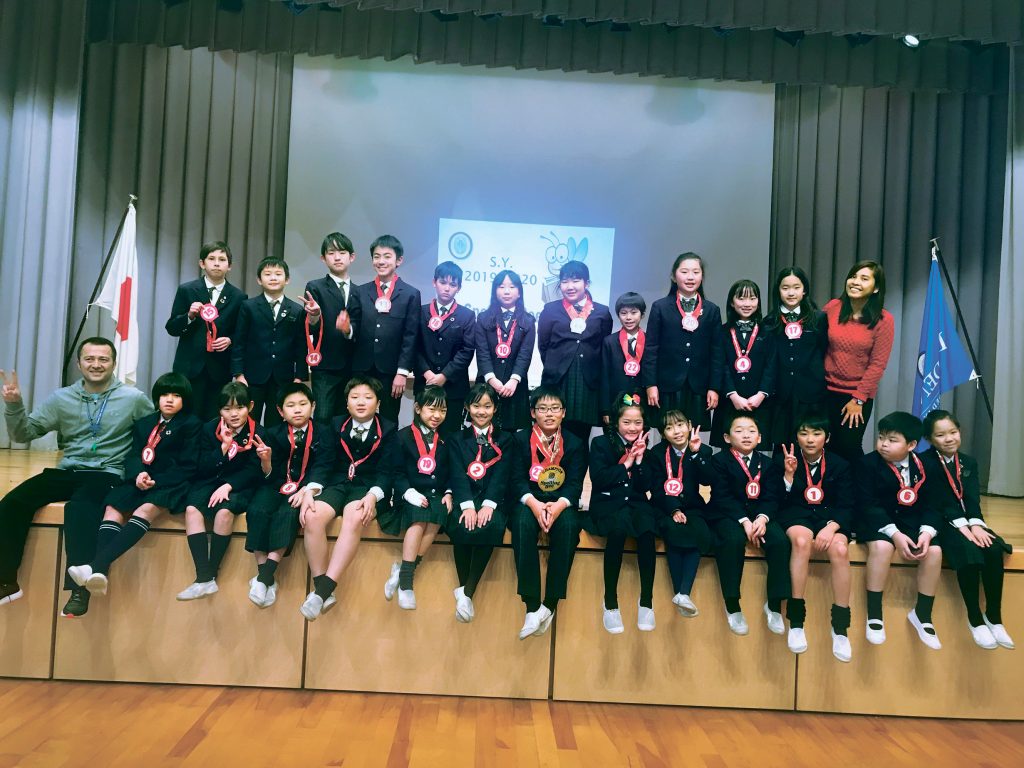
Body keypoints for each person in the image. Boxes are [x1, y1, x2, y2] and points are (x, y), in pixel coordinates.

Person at [0, 338, 152, 616]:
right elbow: (24, 434)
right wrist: (13, 404)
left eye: (103, 359)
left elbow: (155, 436)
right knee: (13, 502)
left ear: (114, 363)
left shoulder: (134, 399)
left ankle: (80, 589)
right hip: (68, 470)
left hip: (106, 472)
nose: (96, 364)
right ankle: (6, 580)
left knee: (80, 509)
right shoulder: (62, 398)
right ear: (79, 363)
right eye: (90, 359)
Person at [67, 373, 201, 600]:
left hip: (172, 483)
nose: (169, 400)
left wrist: (157, 481)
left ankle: (97, 566)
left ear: (184, 399)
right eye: (164, 395)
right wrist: (138, 473)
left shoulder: (192, 424)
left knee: (145, 510)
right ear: (156, 398)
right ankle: (99, 572)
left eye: (176, 395)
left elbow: (189, 465)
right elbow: (132, 455)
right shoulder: (145, 423)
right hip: (141, 478)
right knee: (113, 505)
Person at [299, 376, 396, 621]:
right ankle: (324, 590)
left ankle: (322, 590)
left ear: (378, 404)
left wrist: (374, 496)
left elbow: (387, 473)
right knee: (311, 516)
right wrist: (310, 490)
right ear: (347, 403)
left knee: (355, 518)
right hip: (337, 483)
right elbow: (323, 463)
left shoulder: (390, 429)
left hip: (367, 487)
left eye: (367, 397)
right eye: (355, 398)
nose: (361, 402)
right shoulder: (334, 424)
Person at [922, 409, 1014, 650]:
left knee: (993, 549)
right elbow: (937, 501)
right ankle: (975, 618)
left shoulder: (968, 461)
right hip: (940, 521)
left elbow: (972, 499)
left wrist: (976, 524)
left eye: (953, 432)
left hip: (969, 521)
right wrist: (963, 527)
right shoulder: (925, 463)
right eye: (941, 435)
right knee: (969, 554)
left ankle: (994, 616)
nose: (949, 438)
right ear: (930, 439)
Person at [856, 411, 943, 650]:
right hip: (876, 520)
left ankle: (923, 614)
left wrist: (926, 532)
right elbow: (867, 504)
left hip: (912, 522)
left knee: (934, 552)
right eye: (882, 437)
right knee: (883, 547)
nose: (883, 444)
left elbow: (934, 504)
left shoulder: (926, 465)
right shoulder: (867, 464)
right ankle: (874, 614)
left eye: (892, 440)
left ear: (912, 444)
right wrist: (894, 534)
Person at [774, 411, 854, 662]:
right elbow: (775, 500)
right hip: (796, 514)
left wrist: (831, 527)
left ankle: (840, 626)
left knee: (840, 550)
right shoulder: (783, 460)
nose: (809, 439)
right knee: (800, 542)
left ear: (826, 438)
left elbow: (848, 504)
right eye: (804, 433)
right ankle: (796, 620)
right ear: (796, 437)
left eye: (816, 434)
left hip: (829, 518)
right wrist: (788, 477)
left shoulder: (840, 464)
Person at [244, 383, 332, 608]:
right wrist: (266, 461)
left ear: (313, 406)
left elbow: (324, 466)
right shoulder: (272, 433)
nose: (298, 410)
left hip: (305, 489)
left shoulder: (324, 432)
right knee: (257, 509)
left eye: (303, 404)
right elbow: (266, 474)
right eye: (290, 406)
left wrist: (308, 489)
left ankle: (264, 578)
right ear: (281, 412)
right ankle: (266, 577)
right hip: (276, 485)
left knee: (288, 514)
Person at [176, 381, 265, 601]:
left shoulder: (259, 433)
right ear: (219, 410)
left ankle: (209, 575)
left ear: (250, 407)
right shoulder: (209, 429)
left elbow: (254, 472)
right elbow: (201, 467)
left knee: (224, 513)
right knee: (191, 509)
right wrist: (223, 448)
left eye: (239, 407)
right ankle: (203, 577)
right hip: (210, 481)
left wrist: (230, 485)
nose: (233, 414)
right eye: (227, 409)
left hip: (240, 487)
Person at [509, 386, 586, 640]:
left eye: (555, 408)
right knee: (522, 524)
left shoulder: (574, 443)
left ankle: (550, 603)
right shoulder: (519, 439)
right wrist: (533, 504)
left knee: (569, 527)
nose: (549, 414)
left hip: (560, 502)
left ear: (563, 412)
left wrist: (559, 505)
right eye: (542, 409)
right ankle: (531, 605)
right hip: (529, 500)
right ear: (533, 413)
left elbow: (575, 483)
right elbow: (516, 479)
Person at [708, 414, 791, 636]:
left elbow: (772, 496)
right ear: (726, 437)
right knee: (732, 540)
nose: (746, 435)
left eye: (751, 430)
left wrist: (763, 518)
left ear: (760, 437)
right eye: (739, 430)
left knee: (781, 541)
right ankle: (732, 604)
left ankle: (773, 604)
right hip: (727, 515)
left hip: (759, 516)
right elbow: (722, 497)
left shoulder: (769, 463)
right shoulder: (719, 461)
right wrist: (744, 521)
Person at [587, 394, 660, 634]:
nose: (632, 428)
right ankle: (610, 601)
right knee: (617, 531)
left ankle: (646, 601)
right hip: (607, 505)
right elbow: (599, 479)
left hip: (636, 504)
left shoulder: (646, 446)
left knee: (648, 532)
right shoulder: (600, 443)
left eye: (637, 422)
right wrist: (626, 464)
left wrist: (639, 461)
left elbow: (646, 485)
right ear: (616, 422)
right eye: (626, 422)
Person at [379, 385, 452, 610]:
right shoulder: (401, 436)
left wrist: (449, 493)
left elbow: (452, 471)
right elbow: (396, 473)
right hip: (406, 496)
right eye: (431, 409)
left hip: (434, 495)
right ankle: (407, 584)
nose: (436, 415)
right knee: (420, 515)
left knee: (438, 512)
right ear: (418, 408)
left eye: (442, 410)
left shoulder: (446, 439)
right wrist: (409, 493)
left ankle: (402, 570)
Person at [446, 383, 512, 622]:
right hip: (466, 498)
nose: (481, 411)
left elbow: (503, 474)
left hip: (494, 500)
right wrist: (467, 506)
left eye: (487, 406)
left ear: (495, 408)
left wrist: (488, 504)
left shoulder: (506, 439)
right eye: (476, 406)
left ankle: (466, 591)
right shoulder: (456, 438)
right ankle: (466, 593)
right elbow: (455, 472)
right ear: (467, 407)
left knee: (491, 525)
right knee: (462, 524)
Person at [165, 241, 247, 421]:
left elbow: (242, 333)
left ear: (229, 266)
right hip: (189, 367)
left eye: (222, 259)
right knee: (185, 417)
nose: (217, 263)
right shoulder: (187, 290)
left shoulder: (239, 296)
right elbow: (172, 327)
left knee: (213, 419)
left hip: (219, 368)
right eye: (211, 259)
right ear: (202, 263)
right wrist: (189, 315)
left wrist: (230, 340)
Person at [823, 261, 895, 461]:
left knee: (848, 448)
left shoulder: (884, 320)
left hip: (855, 396)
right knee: (824, 446)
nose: (855, 282)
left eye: (864, 279)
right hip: (824, 391)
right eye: (853, 276)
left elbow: (878, 364)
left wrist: (858, 399)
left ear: (876, 288)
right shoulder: (832, 308)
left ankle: (855, 491)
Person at [537, 260, 613, 446]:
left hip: (587, 382)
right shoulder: (550, 309)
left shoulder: (602, 312)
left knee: (580, 439)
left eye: (576, 281)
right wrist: (557, 365)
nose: (569, 286)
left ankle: (576, 476)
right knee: (552, 435)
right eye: (564, 281)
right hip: (558, 380)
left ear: (586, 283)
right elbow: (544, 345)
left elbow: (602, 346)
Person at [644, 252, 723, 427]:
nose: (690, 277)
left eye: (696, 272)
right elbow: (651, 349)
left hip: (698, 386)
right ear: (674, 276)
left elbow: (717, 353)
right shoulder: (660, 307)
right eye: (684, 272)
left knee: (693, 435)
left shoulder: (712, 310)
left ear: (702, 277)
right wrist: (651, 384)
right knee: (668, 432)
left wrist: (714, 388)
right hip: (667, 384)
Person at [648, 409, 712, 619]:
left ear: (690, 425)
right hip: (664, 505)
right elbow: (657, 488)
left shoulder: (703, 450)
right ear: (663, 433)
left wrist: (695, 453)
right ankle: (681, 593)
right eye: (669, 427)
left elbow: (707, 480)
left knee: (700, 531)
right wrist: (674, 509)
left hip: (693, 505)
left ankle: (683, 594)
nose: (676, 431)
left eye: (680, 425)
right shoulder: (656, 453)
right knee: (673, 531)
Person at [350, 235, 420, 424]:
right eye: (376, 256)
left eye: (387, 256)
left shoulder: (410, 294)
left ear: (399, 260)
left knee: (389, 418)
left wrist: (402, 372)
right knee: (360, 417)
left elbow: (410, 336)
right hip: (361, 368)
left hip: (391, 371)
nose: (381, 261)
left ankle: (387, 454)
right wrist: (346, 329)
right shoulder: (360, 291)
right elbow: (354, 326)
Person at [232, 257, 308, 426]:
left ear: (287, 279)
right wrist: (238, 374)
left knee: (277, 423)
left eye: (278, 274)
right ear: (259, 279)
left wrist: (299, 377)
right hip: (252, 377)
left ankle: (273, 453)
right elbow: (239, 342)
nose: (273, 278)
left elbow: (301, 346)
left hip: (283, 378)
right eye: (267, 274)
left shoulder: (296, 310)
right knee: (249, 421)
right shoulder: (248, 306)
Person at [763, 267, 828, 451]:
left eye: (796, 287)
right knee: (782, 446)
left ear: (804, 290)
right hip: (781, 393)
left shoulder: (818, 318)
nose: (791, 293)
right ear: (778, 290)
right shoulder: (770, 321)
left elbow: (823, 350)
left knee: (810, 444)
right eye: (785, 288)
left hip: (811, 391)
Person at [711, 279, 776, 449]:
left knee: (758, 455)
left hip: (759, 402)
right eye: (741, 298)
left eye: (752, 298)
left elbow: (771, 366)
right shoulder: (722, 331)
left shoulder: (769, 331)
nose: (747, 304)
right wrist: (733, 395)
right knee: (727, 453)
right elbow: (720, 364)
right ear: (732, 302)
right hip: (730, 401)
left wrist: (761, 394)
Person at [414, 261, 476, 436]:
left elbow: (467, 351)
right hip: (424, 385)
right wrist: (427, 373)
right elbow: (413, 346)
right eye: (443, 282)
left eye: (453, 284)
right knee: (422, 436)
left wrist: (444, 376)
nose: (447, 288)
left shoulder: (467, 315)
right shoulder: (420, 311)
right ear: (434, 282)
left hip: (454, 389)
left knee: (450, 438)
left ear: (459, 287)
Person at [302, 232, 358, 422]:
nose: (337, 257)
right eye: (331, 252)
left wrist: (348, 329)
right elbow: (311, 327)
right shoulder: (315, 287)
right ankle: (322, 453)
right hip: (325, 366)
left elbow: (360, 326)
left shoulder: (360, 291)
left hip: (354, 367)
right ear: (323, 258)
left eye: (342, 252)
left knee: (347, 419)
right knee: (323, 417)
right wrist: (315, 315)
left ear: (352, 257)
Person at [474, 270, 535, 433]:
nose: (507, 291)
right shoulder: (483, 318)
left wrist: (514, 380)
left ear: (519, 292)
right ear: (495, 291)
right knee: (483, 432)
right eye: (501, 287)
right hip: (487, 385)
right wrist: (491, 379)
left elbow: (525, 353)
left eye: (512, 287)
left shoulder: (528, 320)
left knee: (511, 437)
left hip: (515, 386)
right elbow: (482, 351)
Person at [600, 292, 648, 425]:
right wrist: (605, 409)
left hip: (643, 403)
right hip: (615, 402)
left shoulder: (650, 340)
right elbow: (604, 376)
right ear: (618, 316)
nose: (628, 317)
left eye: (634, 312)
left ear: (642, 315)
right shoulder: (609, 341)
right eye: (623, 313)